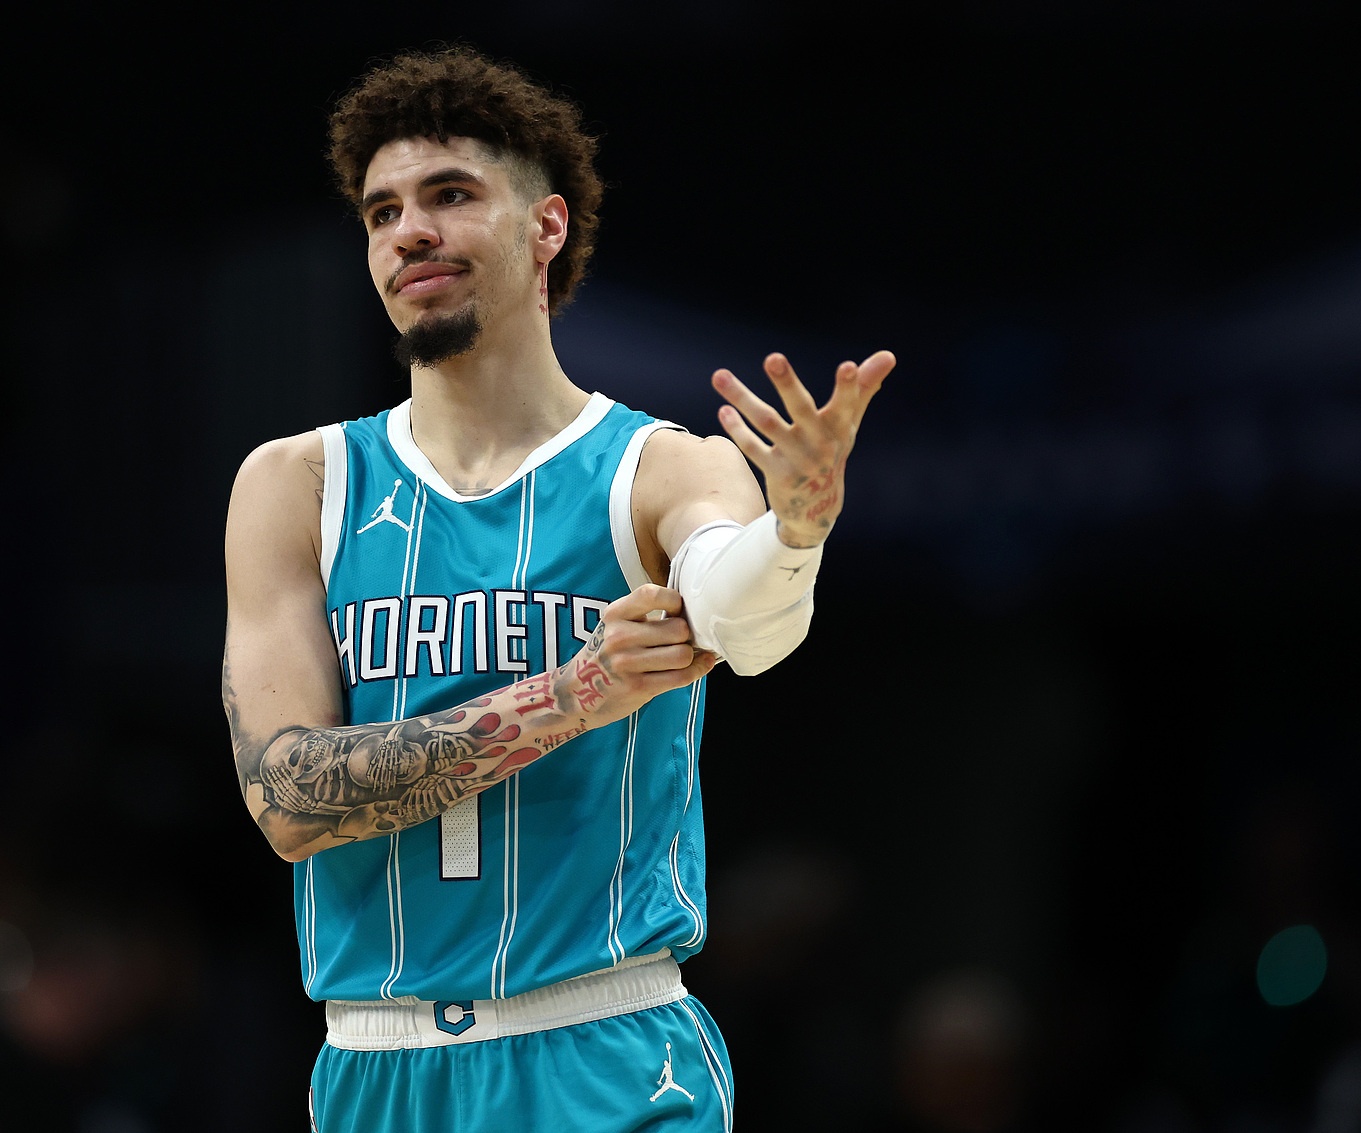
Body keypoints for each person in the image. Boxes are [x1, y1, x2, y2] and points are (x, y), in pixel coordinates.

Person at [221, 46, 895, 1133]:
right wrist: (569, 696)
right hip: (377, 1064)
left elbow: (742, 618)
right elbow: (287, 802)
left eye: (450, 195)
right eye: (382, 211)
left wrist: (796, 533)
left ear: (546, 225)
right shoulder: (295, 483)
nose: (408, 232)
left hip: (607, 1052)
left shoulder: (662, 467)